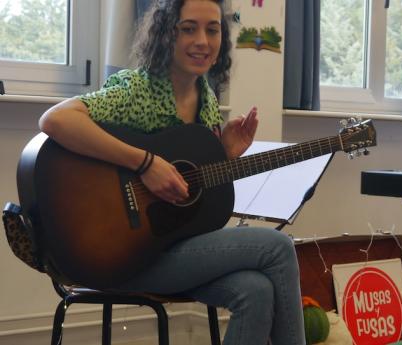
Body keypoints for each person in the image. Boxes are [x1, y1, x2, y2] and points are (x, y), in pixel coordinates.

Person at [38, 0, 305, 344]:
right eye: (189, 28)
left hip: (174, 245)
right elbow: (55, 120)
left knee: (256, 290)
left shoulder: (205, 97)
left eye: (213, 30)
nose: (203, 41)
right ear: (166, 33)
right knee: (278, 246)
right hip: (124, 255)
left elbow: (193, 195)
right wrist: (145, 163)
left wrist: (223, 154)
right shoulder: (138, 90)